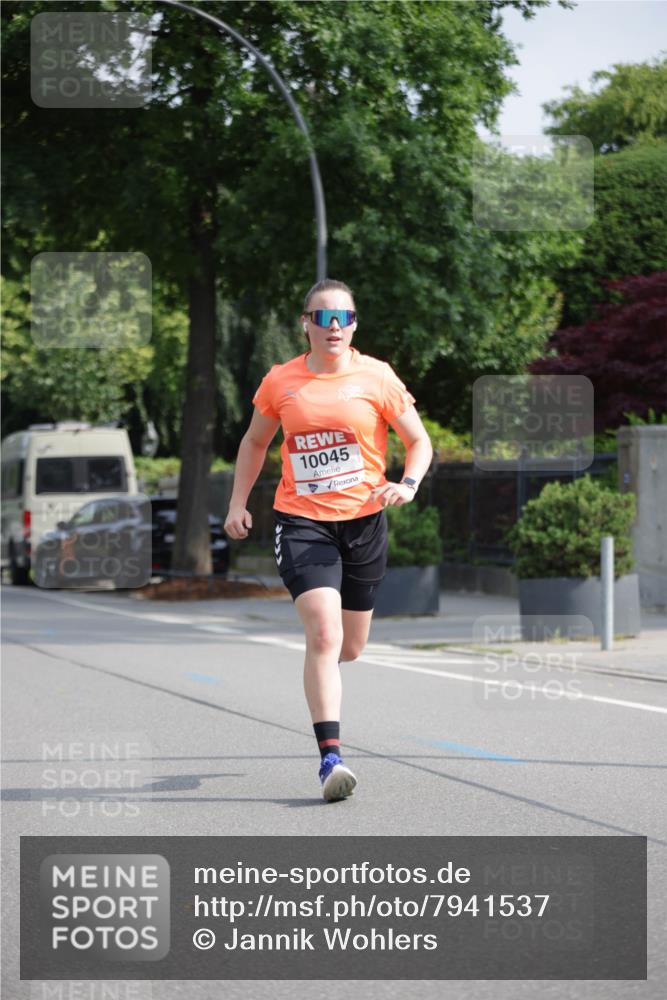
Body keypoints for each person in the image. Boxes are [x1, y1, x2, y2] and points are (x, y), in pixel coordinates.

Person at [224, 279, 433, 802]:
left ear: (355, 324)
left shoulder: (377, 376)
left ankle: (322, 670)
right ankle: (331, 760)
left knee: (351, 647)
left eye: (343, 317)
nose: (333, 327)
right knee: (323, 635)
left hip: (363, 522)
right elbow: (254, 442)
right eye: (322, 317)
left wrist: (407, 483)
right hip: (302, 522)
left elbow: (418, 440)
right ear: (306, 323)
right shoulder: (281, 381)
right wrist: (236, 504)